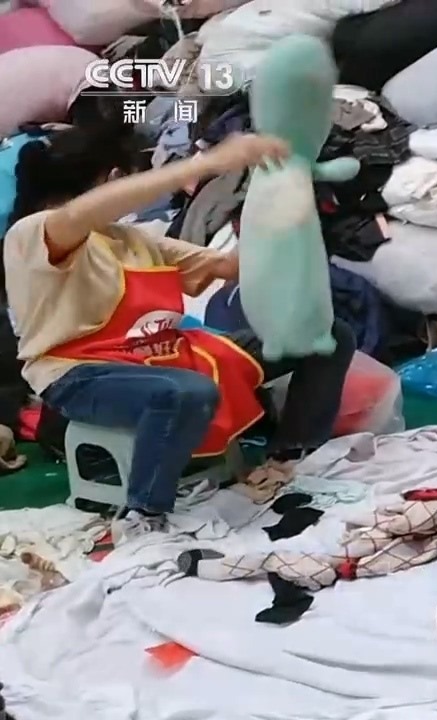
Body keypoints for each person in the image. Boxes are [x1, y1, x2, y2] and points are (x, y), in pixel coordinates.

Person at [2, 123, 356, 544]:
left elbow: (228, 267)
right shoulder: (33, 233)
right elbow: (81, 213)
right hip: (79, 375)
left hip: (162, 354)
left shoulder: (129, 239)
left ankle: (290, 457)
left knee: (324, 335)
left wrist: (277, 206)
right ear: (114, 177)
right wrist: (207, 163)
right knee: (185, 392)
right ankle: (144, 513)